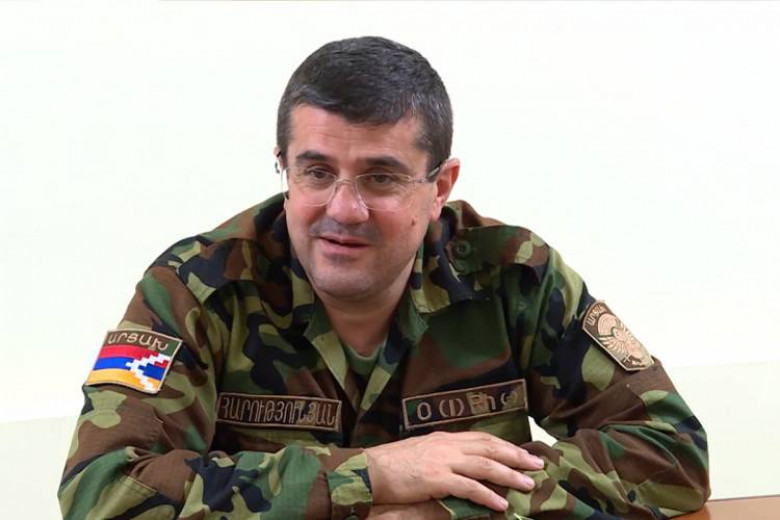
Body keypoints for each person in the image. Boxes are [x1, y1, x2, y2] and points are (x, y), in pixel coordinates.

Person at [58, 36, 709, 520]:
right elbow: (103, 491)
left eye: (381, 178)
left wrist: (452, 502)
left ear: (440, 186)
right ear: (284, 166)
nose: (344, 210)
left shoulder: (514, 275)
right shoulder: (197, 288)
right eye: (316, 172)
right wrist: (368, 477)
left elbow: (672, 452)